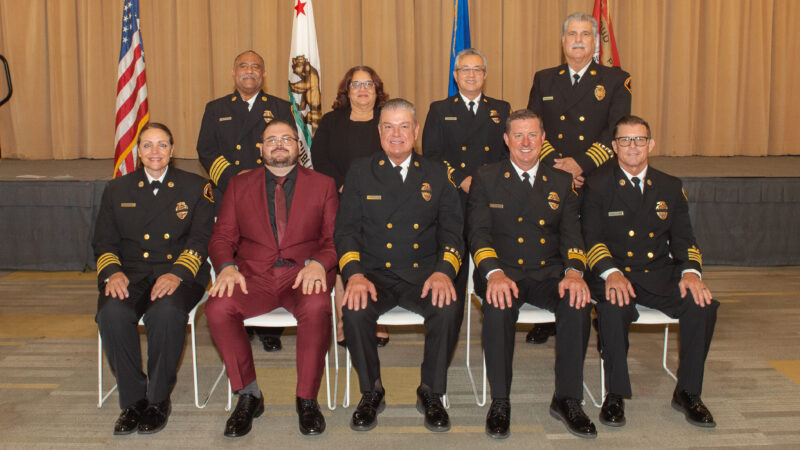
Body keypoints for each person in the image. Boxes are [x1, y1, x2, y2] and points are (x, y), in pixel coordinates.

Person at [335, 98, 464, 433]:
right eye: (388, 126)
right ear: (379, 132)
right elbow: (345, 231)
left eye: (404, 126)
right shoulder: (361, 171)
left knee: (448, 305)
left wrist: (443, 271)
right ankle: (371, 391)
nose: (396, 134)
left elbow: (453, 230)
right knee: (354, 309)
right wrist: (355, 275)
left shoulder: (436, 173)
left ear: (416, 131)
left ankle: (431, 391)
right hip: (373, 274)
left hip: (422, 274)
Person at [582, 115, 719, 428]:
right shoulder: (598, 185)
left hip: (658, 273)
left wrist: (690, 274)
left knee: (703, 305)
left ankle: (688, 392)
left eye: (639, 140)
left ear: (651, 144)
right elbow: (590, 238)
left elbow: (685, 239)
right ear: (614, 146)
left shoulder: (670, 186)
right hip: (613, 273)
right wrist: (610, 272)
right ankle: (614, 394)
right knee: (614, 307)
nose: (633, 147)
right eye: (626, 140)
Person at [205, 119, 338, 437]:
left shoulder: (323, 184)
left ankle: (307, 399)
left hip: (302, 274)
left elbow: (335, 238)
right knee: (217, 308)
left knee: (318, 307)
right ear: (261, 149)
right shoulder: (239, 185)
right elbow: (221, 237)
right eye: (271, 139)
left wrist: (320, 263)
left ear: (298, 146)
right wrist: (225, 266)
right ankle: (248, 394)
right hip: (254, 277)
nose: (279, 144)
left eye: (287, 139)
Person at [467, 110, 595, 439]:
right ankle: (500, 400)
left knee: (578, 304)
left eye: (533, 135)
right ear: (506, 140)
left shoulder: (562, 181)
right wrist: (492, 272)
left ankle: (567, 398)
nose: (526, 143)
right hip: (502, 270)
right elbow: (478, 234)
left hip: (548, 271)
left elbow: (572, 236)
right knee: (497, 309)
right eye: (518, 136)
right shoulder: (486, 176)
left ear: (543, 139)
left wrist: (574, 271)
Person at [94, 123, 214, 435]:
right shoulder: (117, 189)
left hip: (178, 273)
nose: (155, 152)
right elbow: (104, 242)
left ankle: (158, 399)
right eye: (147, 145)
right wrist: (112, 272)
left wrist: (178, 273)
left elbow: (201, 240)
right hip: (130, 273)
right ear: (138, 151)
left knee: (165, 313)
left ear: (172, 151)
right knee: (112, 313)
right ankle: (133, 401)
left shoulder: (195, 187)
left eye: (162, 145)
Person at [525, 12, 632, 345]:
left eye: (586, 33)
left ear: (594, 42)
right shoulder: (544, 78)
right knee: (554, 240)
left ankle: (602, 312)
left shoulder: (616, 79)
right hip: (553, 175)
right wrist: (560, 167)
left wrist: (581, 165)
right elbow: (533, 127)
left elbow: (616, 130)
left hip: (596, 178)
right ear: (562, 41)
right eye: (572, 33)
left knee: (595, 238)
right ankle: (557, 309)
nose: (578, 39)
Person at [197, 49, 294, 352]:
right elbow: (207, 150)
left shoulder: (279, 106)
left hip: (271, 192)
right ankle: (244, 316)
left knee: (269, 255)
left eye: (255, 67)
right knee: (238, 254)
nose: (249, 71)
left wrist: (264, 181)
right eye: (243, 66)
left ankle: (270, 329)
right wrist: (236, 183)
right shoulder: (216, 108)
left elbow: (287, 148)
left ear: (264, 75)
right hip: (231, 193)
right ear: (233, 72)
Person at [422, 47, 510, 331]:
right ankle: (450, 323)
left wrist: (484, 182)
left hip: (491, 198)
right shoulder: (440, 109)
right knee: (454, 263)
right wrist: (461, 178)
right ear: (455, 76)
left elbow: (507, 156)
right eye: (465, 70)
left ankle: (496, 321)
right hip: (453, 198)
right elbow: (431, 155)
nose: (471, 75)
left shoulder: (501, 109)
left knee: (494, 258)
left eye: (477, 70)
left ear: (484, 76)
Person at [310, 65, 391, 347]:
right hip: (341, 197)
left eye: (368, 84)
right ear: (347, 90)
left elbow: (398, 152)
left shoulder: (388, 118)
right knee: (345, 254)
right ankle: (345, 321)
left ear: (377, 89)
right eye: (356, 84)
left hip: (384, 198)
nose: (363, 89)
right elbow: (319, 158)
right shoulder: (332, 121)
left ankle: (378, 319)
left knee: (380, 254)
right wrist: (345, 185)